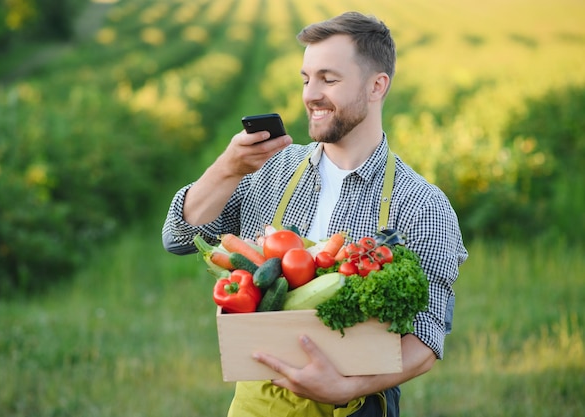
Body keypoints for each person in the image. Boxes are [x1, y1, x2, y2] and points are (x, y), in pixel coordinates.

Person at [162, 11, 468, 417]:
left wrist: (342, 387)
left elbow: (426, 341)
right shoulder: (269, 170)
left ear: (377, 86)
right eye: (306, 79)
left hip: (355, 406)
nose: (310, 94)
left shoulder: (422, 205)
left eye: (329, 78)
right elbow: (179, 239)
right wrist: (228, 168)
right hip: (256, 403)